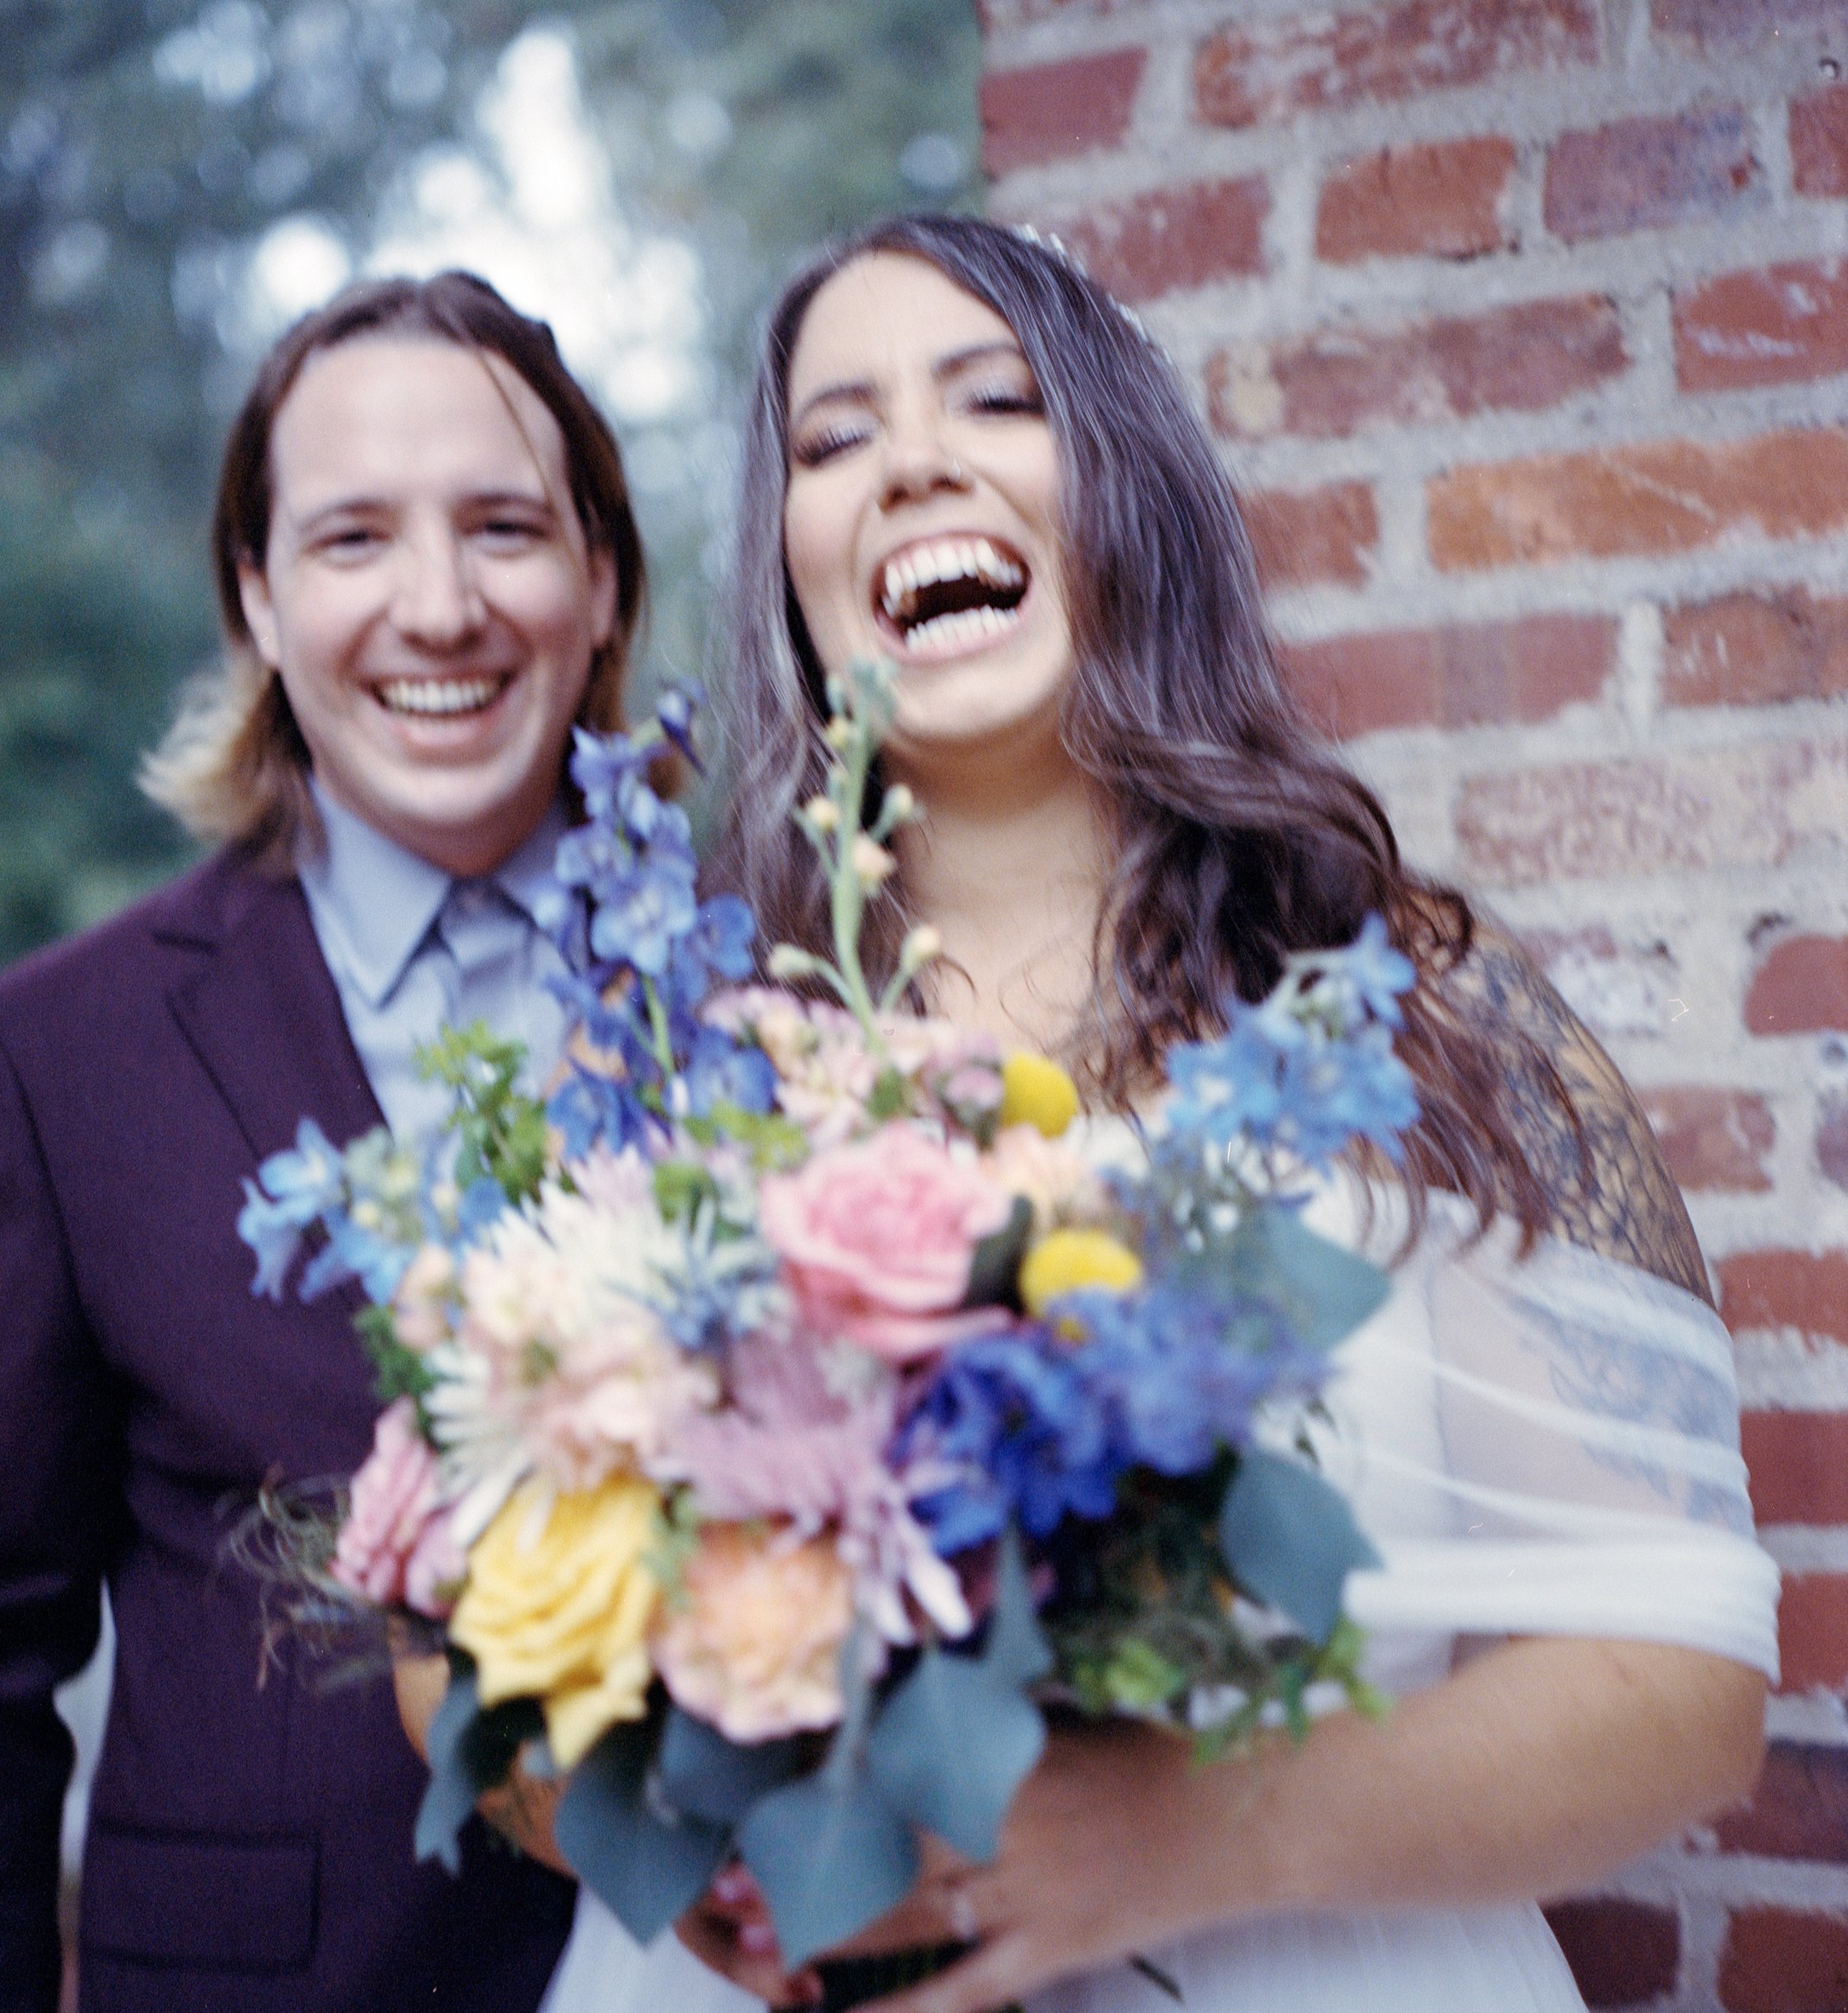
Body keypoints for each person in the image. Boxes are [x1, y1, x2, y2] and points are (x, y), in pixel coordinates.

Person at [540, 215, 1780, 2013]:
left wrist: (1198, 1828)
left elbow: (1678, 1673)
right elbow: (475, 1621)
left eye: (996, 400)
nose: (911, 464)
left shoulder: (1405, 999)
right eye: (832, 440)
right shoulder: (675, 1049)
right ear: (788, 562)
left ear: (1126, 487)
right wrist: (683, 1849)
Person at [0, 271, 644, 2012]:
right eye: (353, 538)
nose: (437, 607)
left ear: (598, 583)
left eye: (502, 526)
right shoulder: (60, 1056)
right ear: (259, 599)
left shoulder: (789, 1002)